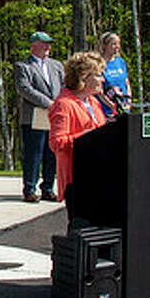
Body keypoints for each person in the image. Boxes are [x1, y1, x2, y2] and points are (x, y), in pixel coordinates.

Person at [48, 51, 108, 216]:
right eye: (98, 75)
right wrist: (85, 137)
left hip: (98, 174)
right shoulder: (64, 104)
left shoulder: (93, 102)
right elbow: (56, 142)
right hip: (76, 178)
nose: (102, 79)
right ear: (84, 77)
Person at [14, 31, 64, 203]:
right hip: (34, 116)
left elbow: (64, 86)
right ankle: (30, 188)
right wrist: (47, 102)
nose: (48, 47)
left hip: (55, 115)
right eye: (44, 44)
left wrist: (59, 103)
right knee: (33, 153)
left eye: (49, 44)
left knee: (52, 153)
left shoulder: (56, 65)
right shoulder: (23, 66)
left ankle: (48, 187)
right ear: (33, 45)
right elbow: (24, 88)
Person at [97, 31, 131, 117]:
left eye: (118, 44)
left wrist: (128, 103)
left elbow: (127, 84)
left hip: (124, 106)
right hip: (106, 110)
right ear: (105, 46)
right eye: (113, 44)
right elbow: (99, 91)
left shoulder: (120, 61)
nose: (117, 47)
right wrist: (112, 105)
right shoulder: (99, 63)